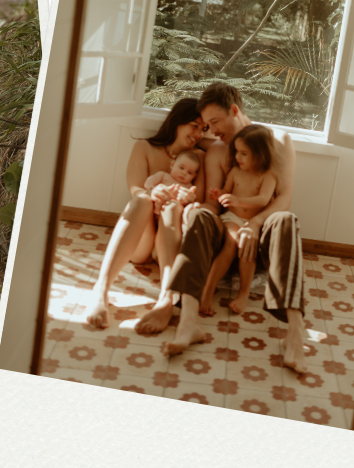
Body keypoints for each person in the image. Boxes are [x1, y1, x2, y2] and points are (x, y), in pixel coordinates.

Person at [158, 83, 309, 373]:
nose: (211, 131)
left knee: (286, 219)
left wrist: (254, 223)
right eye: (206, 125)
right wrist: (198, 210)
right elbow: (215, 205)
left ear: (235, 111)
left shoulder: (279, 140)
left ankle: (295, 333)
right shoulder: (216, 151)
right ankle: (189, 322)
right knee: (200, 216)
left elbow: (284, 198)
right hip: (225, 238)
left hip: (260, 240)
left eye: (214, 122)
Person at [82, 99, 206, 332]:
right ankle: (101, 290)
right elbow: (136, 189)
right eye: (194, 125)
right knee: (141, 199)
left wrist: (184, 199)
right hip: (141, 242)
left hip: (169, 246)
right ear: (177, 121)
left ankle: (166, 298)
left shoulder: (199, 158)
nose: (199, 133)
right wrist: (153, 192)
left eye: (203, 129)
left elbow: (197, 201)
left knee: (172, 207)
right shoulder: (144, 147)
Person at [191, 124, 277, 323]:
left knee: (247, 245)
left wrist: (239, 201)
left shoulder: (268, 175)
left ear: (261, 154)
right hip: (232, 219)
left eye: (244, 153)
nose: (238, 157)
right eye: (237, 152)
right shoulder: (236, 172)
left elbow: (264, 199)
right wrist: (219, 194)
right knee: (231, 241)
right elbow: (226, 192)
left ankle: (244, 293)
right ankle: (208, 290)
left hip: (253, 222)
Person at [143, 149, 203, 234]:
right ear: (172, 164)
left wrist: (190, 201)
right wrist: (152, 189)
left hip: (172, 218)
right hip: (154, 214)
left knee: (192, 208)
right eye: (181, 168)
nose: (184, 173)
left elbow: (190, 200)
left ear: (194, 176)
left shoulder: (188, 187)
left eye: (189, 172)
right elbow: (148, 183)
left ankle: (184, 227)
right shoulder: (163, 176)